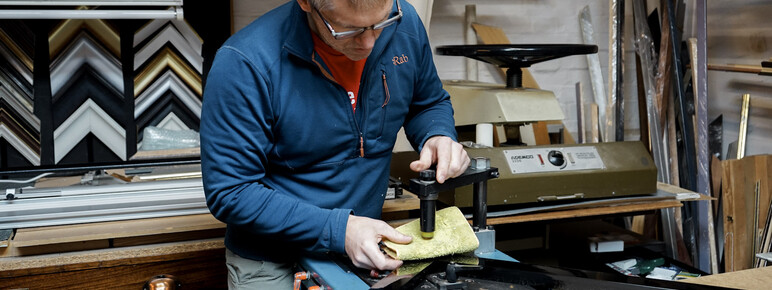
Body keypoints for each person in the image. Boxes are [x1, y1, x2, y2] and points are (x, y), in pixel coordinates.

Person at [200, 0, 469, 288]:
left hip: (365, 249)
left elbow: (427, 102)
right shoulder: (244, 62)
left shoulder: (403, 21)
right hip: (273, 260)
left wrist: (437, 134)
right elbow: (232, 191)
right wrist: (341, 230)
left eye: (380, 23)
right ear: (306, 3)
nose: (368, 43)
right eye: (348, 29)